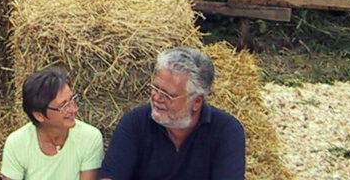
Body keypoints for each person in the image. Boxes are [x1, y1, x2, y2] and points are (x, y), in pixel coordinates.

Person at [99, 47, 245, 180]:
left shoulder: (226, 131)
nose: (156, 98)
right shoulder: (135, 122)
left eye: (168, 95)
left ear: (196, 101)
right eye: (155, 88)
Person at [0, 66, 103, 180]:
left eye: (72, 99)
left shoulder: (90, 138)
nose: (73, 109)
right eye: (63, 106)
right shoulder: (17, 143)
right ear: (39, 115)